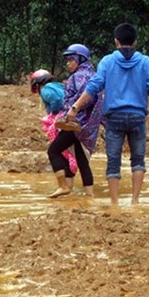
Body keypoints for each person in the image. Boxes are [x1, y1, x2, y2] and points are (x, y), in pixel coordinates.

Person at [66, 23, 149, 205]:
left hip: (114, 118)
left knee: (113, 161)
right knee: (138, 160)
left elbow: (94, 87)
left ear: (116, 41)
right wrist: (139, 90)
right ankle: (135, 201)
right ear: (135, 41)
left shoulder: (108, 61)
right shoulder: (144, 61)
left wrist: (75, 107)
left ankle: (115, 203)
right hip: (137, 117)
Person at [47, 44, 103, 198]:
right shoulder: (93, 75)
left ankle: (63, 185)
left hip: (75, 122)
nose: (68, 63)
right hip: (87, 125)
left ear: (80, 59)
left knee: (53, 151)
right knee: (82, 161)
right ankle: (89, 197)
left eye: (71, 59)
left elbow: (85, 99)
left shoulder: (79, 77)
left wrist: (72, 108)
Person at [29, 69, 77, 188]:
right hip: (73, 121)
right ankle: (69, 186)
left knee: (54, 151)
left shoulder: (46, 89)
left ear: (37, 84)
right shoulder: (58, 86)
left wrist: (54, 114)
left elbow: (56, 100)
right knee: (67, 153)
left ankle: (63, 186)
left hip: (63, 122)